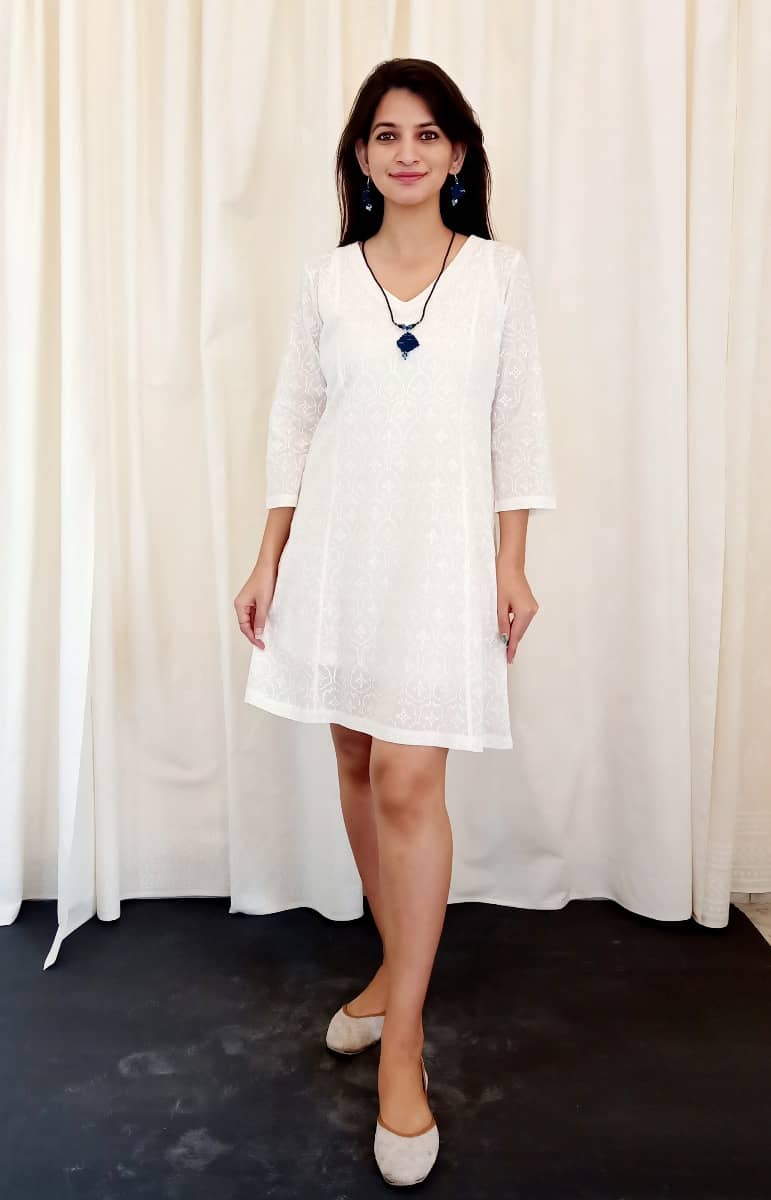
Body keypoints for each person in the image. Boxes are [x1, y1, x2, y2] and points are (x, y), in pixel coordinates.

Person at [233, 57, 557, 1186]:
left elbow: (519, 426)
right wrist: (269, 555)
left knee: (413, 781)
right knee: (359, 762)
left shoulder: (498, 276)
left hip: (442, 562)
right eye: (385, 134)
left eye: (426, 133)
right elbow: (294, 423)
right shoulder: (328, 281)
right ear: (361, 157)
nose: (406, 151)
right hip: (338, 555)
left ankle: (404, 1041)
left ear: (457, 153)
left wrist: (513, 564)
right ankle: (387, 970)